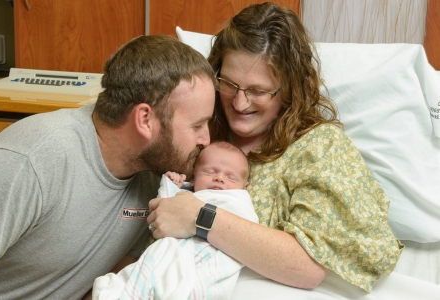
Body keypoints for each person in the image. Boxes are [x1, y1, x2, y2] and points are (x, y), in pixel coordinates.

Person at [147, 2, 403, 293]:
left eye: (258, 91)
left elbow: (306, 266)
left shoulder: (319, 148)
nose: (240, 103)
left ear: (291, 87)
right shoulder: (198, 131)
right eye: (229, 83)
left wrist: (199, 216)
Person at [0, 35, 216, 299]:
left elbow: (110, 282)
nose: (206, 139)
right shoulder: (30, 162)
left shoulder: (153, 178)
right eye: (197, 125)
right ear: (145, 119)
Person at [92, 141, 259, 300]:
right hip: (174, 251)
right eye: (210, 172)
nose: (219, 178)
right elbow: (163, 212)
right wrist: (171, 185)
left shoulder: (239, 202)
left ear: (244, 187)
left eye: (231, 177)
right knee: (153, 269)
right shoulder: (185, 196)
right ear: (193, 178)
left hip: (210, 260)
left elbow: (247, 230)